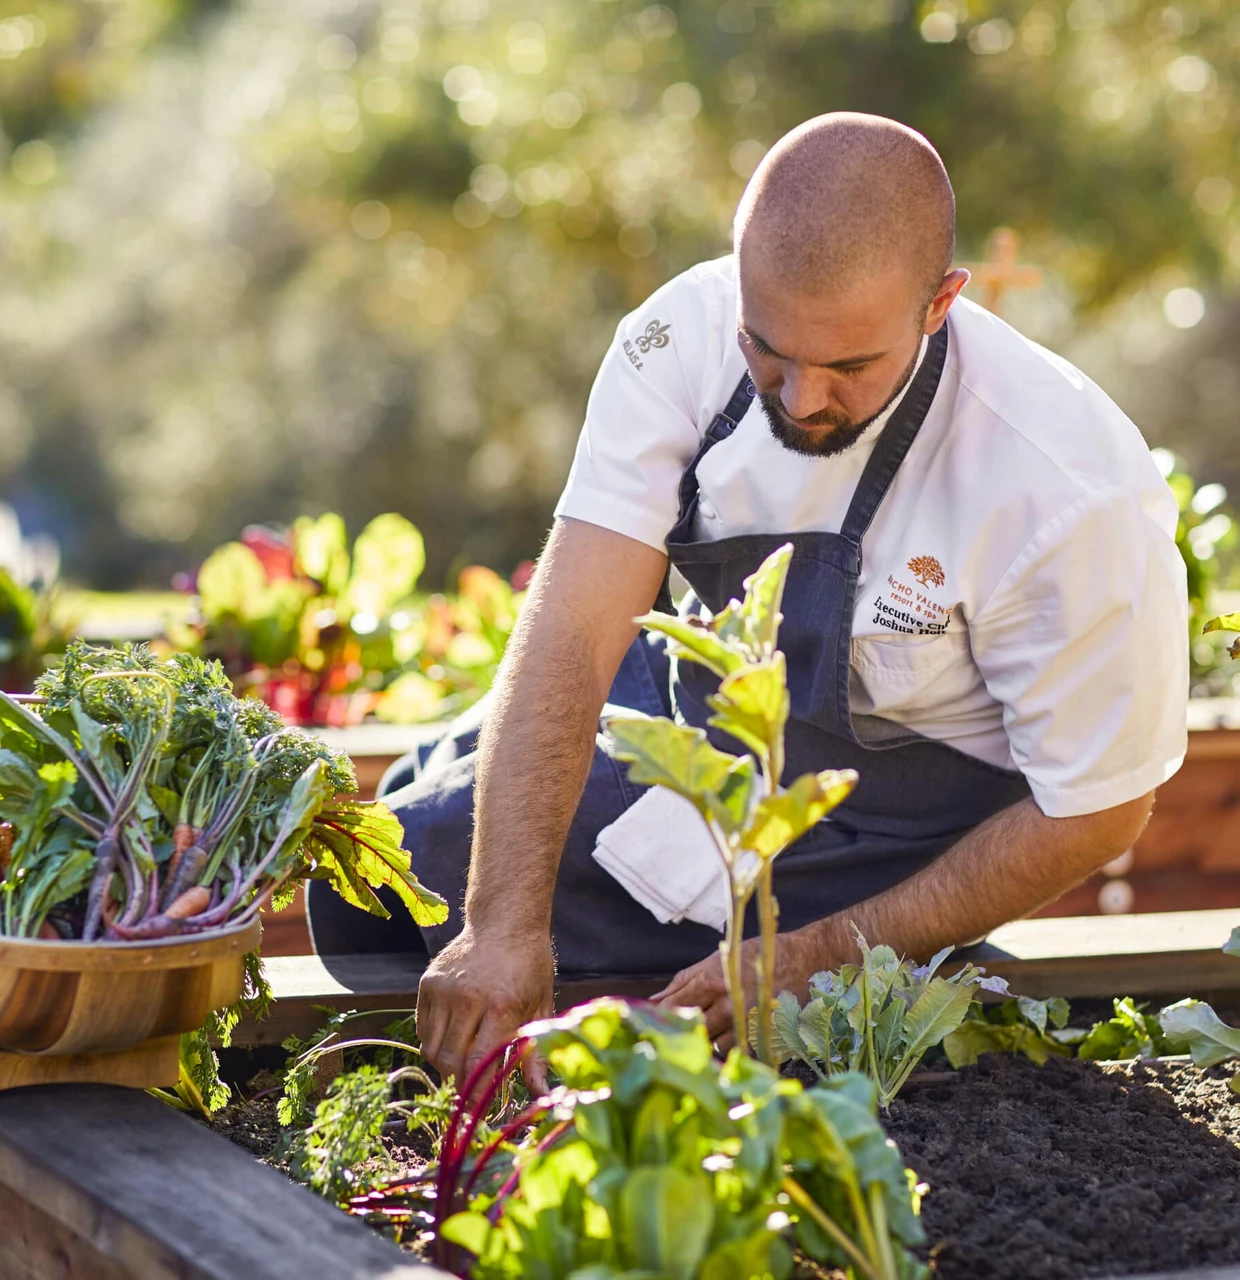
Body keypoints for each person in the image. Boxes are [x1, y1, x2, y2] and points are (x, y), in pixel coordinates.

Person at [308, 112, 1190, 1081]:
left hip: (885, 822)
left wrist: (821, 952)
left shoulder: (1064, 489)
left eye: (850, 366)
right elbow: (573, 621)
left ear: (940, 303)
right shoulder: (676, 339)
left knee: (390, 896)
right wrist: (500, 925)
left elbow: (1097, 809)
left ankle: (891, 966)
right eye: (770, 349)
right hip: (699, 700)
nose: (803, 397)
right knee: (392, 851)